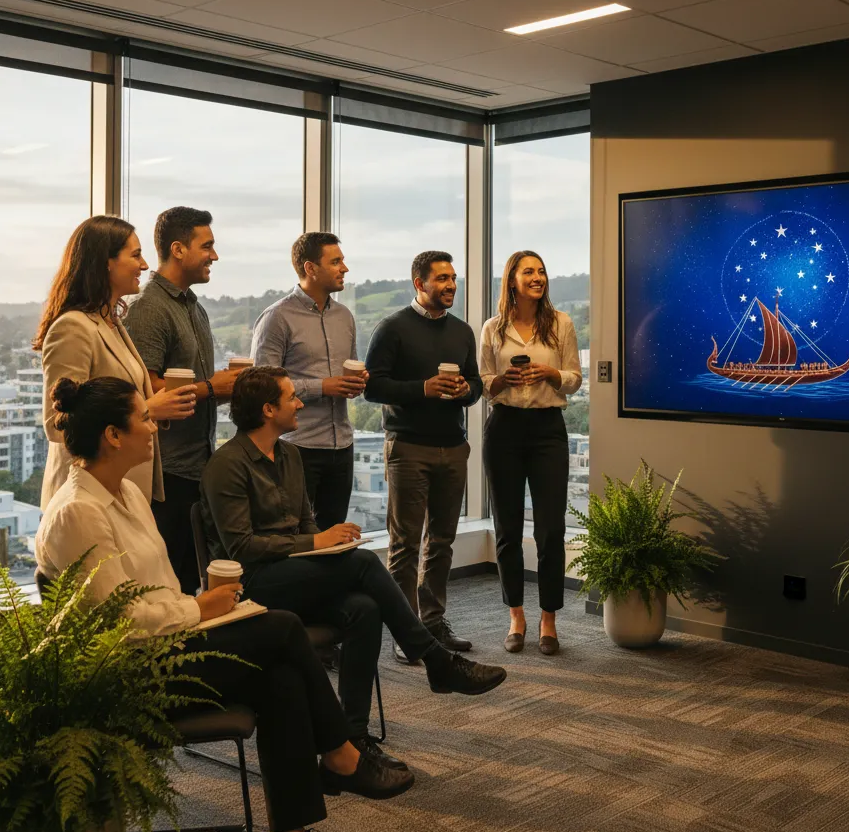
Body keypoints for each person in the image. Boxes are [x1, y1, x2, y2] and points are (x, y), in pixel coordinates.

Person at [34, 376, 414, 832]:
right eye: (144, 419)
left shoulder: (128, 494)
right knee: (284, 629)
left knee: (283, 677)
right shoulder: (77, 512)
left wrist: (201, 609)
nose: (153, 429)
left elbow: (159, 591)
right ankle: (340, 753)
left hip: (170, 642)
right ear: (113, 436)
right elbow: (121, 625)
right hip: (131, 672)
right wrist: (201, 611)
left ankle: (291, 827)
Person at [200, 366, 507, 771]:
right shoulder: (227, 464)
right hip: (254, 584)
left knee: (364, 609)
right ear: (268, 409)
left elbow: (305, 523)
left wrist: (329, 539)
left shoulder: (290, 454)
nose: (300, 403)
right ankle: (434, 660)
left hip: (296, 573)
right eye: (292, 397)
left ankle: (354, 738)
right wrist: (315, 543)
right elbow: (242, 548)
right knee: (363, 563)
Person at [363, 251, 482, 663]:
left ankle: (432, 623)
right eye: (442, 279)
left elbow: (477, 383)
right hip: (408, 448)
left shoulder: (463, 331)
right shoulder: (392, 327)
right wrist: (422, 389)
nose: (451, 285)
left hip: (454, 445)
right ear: (420, 283)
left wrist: (467, 391)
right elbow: (373, 387)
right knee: (405, 545)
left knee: (442, 542)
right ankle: (407, 632)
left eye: (453, 278)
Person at [35, 216, 198, 510]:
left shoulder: (111, 323)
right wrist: (149, 410)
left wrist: (154, 405)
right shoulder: (72, 328)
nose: (145, 265)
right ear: (105, 263)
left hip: (120, 493)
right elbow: (56, 425)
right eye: (135, 255)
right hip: (85, 501)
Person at [124, 207, 242, 595]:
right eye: (206, 246)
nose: (215, 255)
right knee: (169, 583)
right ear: (178, 249)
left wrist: (229, 388)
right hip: (166, 473)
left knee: (193, 577)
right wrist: (213, 388)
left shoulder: (194, 306)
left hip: (197, 466)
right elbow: (147, 391)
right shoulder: (148, 308)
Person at [480, 251, 582, 656]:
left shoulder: (562, 324)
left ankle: (549, 620)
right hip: (503, 427)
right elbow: (484, 383)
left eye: (541, 271)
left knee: (550, 530)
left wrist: (551, 374)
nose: (537, 277)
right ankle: (516, 616)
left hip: (547, 431)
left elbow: (575, 379)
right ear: (512, 280)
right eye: (529, 271)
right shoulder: (492, 327)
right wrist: (503, 380)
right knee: (506, 529)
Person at [250, 232, 364, 529]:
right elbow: (261, 383)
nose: (345, 268)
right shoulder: (277, 317)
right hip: (296, 447)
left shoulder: (345, 317)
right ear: (310, 268)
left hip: (342, 446)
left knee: (333, 537)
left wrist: (357, 382)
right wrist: (322, 387)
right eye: (336, 261)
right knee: (294, 536)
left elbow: (347, 371)